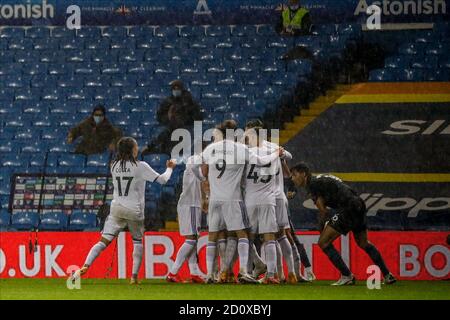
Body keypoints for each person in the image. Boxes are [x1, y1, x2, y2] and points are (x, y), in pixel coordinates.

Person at [70, 137, 176, 284]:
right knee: (137, 242)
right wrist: (170, 168)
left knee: (102, 242)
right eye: (136, 146)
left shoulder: (113, 165)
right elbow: (163, 180)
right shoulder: (140, 166)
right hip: (134, 210)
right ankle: (133, 277)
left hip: (117, 208)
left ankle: (85, 266)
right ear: (132, 150)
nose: (137, 149)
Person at [200, 120, 283, 284]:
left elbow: (203, 170)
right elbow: (260, 161)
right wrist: (276, 153)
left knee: (212, 236)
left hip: (215, 198)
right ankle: (244, 270)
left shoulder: (210, 148)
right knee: (243, 234)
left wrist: (208, 191)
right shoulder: (240, 148)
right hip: (232, 198)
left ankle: (210, 274)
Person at [289, 162, 397, 286]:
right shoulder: (318, 179)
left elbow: (323, 211)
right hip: (358, 204)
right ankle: (388, 275)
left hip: (348, 207)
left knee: (323, 242)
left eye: (294, 175)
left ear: (303, 174)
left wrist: (321, 228)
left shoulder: (312, 184)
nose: (292, 178)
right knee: (363, 242)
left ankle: (347, 275)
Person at [246, 119, 298, 284]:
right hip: (275, 196)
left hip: (260, 197)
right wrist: (280, 153)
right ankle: (285, 273)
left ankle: (262, 271)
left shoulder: (248, 151)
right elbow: (288, 156)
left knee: (249, 236)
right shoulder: (273, 148)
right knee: (279, 236)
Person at [242, 125, 281, 284]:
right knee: (269, 237)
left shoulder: (246, 153)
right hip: (267, 199)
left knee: (247, 238)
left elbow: (242, 176)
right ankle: (270, 275)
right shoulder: (274, 153)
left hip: (250, 199)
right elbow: (277, 174)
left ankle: (248, 271)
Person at [166, 152, 206, 284]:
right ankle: (173, 272)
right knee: (192, 239)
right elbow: (195, 166)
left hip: (189, 205)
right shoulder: (194, 167)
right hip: (191, 206)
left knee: (193, 239)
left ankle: (194, 273)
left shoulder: (191, 171)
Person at [142, 80, 202, 155]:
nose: (176, 91)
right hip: (172, 132)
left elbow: (197, 117)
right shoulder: (168, 102)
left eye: (178, 89)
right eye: (174, 89)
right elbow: (160, 116)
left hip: (186, 129)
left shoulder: (189, 103)